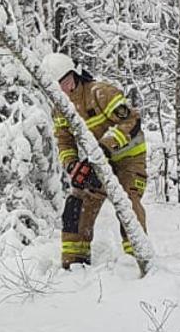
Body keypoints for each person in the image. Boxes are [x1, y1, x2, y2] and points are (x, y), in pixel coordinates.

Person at [40, 52, 149, 269]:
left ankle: (138, 259)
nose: (64, 89)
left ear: (75, 76)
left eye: (67, 82)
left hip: (128, 159)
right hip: (97, 163)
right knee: (76, 205)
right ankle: (74, 262)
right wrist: (73, 165)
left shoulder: (101, 92)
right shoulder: (60, 110)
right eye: (58, 86)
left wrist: (105, 147)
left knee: (128, 203)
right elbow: (64, 141)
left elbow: (131, 121)